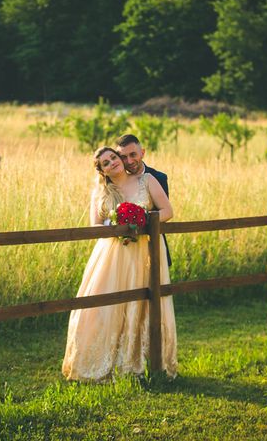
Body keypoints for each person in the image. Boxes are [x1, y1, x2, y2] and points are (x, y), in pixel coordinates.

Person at [62, 146, 177, 381]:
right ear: (102, 171)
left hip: (144, 251)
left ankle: (143, 363)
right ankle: (98, 362)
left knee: (143, 303)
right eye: (106, 163)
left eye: (113, 157)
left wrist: (141, 219)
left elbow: (167, 211)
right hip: (112, 255)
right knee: (100, 306)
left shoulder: (147, 180)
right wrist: (116, 227)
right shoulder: (101, 193)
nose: (112, 162)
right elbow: (94, 227)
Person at [115, 134, 172, 267]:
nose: (129, 161)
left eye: (133, 154)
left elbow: (164, 214)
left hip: (151, 244)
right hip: (123, 249)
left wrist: (137, 219)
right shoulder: (117, 181)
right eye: (123, 157)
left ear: (142, 153)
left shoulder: (158, 177)